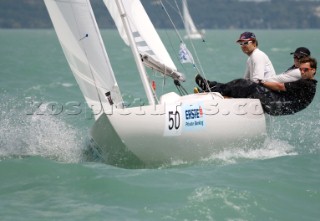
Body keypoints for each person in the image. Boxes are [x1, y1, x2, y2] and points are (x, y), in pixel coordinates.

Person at [195, 57, 317, 116]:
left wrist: (262, 82)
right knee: (243, 86)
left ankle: (211, 90)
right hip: (278, 104)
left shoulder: (306, 84)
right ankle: (213, 89)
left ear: (313, 70)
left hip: (276, 105)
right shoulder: (307, 84)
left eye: (305, 70)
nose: (302, 72)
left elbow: (280, 86)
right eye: (301, 70)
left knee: (246, 85)